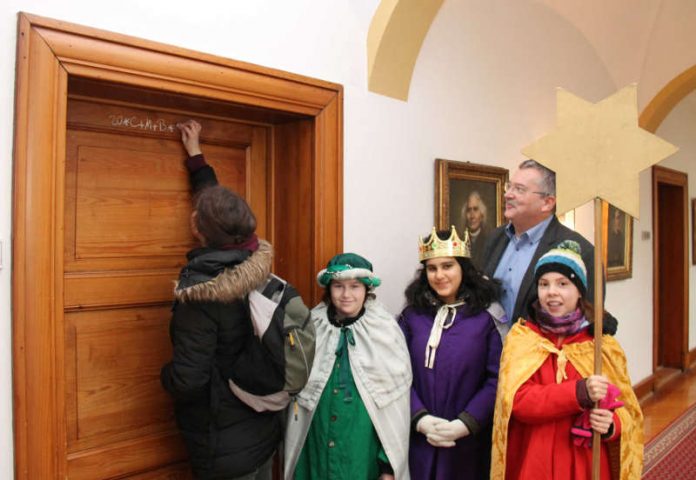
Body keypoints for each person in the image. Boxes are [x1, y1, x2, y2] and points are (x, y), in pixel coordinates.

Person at [160, 119, 290, 479]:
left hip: (222, 445)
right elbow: (222, 213)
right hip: (262, 429)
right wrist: (196, 156)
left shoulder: (200, 297)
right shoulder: (254, 258)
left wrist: (162, 377)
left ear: (199, 231)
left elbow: (188, 380)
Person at [490, 240, 643, 480]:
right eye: (544, 284)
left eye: (563, 283)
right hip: (534, 461)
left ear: (580, 290)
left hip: (583, 464)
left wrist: (610, 425)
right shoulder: (523, 339)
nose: (551, 292)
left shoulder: (601, 346)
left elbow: (626, 410)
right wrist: (578, 393)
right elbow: (518, 402)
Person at [284, 253, 412, 480]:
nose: (346, 295)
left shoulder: (385, 330)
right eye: (338, 286)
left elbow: (395, 406)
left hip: (361, 450)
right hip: (316, 442)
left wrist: (387, 466)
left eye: (355, 286)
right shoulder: (312, 326)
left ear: (366, 289)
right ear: (328, 289)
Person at [399, 226, 507, 479]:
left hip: (468, 443)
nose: (439, 275)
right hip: (419, 440)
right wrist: (420, 419)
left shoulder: (487, 318)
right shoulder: (411, 316)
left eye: (447, 266)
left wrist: (464, 424)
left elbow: (498, 379)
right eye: (432, 268)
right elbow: (397, 374)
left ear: (463, 268)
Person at [482, 160, 615, 334]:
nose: (508, 194)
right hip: (491, 357)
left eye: (519, 189)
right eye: (510, 186)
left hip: (543, 357)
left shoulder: (581, 251)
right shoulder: (495, 239)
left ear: (547, 202)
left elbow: (589, 321)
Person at [461, 191, 490, 269]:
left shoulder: (489, 240)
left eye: (475, 209)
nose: (472, 216)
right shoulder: (460, 240)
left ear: (482, 214)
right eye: (468, 210)